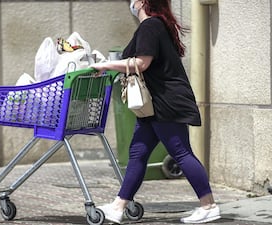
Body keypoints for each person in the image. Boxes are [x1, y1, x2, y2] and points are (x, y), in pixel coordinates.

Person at [90, 0, 220, 224]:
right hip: (154, 103)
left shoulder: (151, 26)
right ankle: (118, 207)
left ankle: (209, 206)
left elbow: (141, 63)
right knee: (137, 152)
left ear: (142, 2)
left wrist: (106, 66)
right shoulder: (155, 25)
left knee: (180, 152)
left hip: (165, 102)